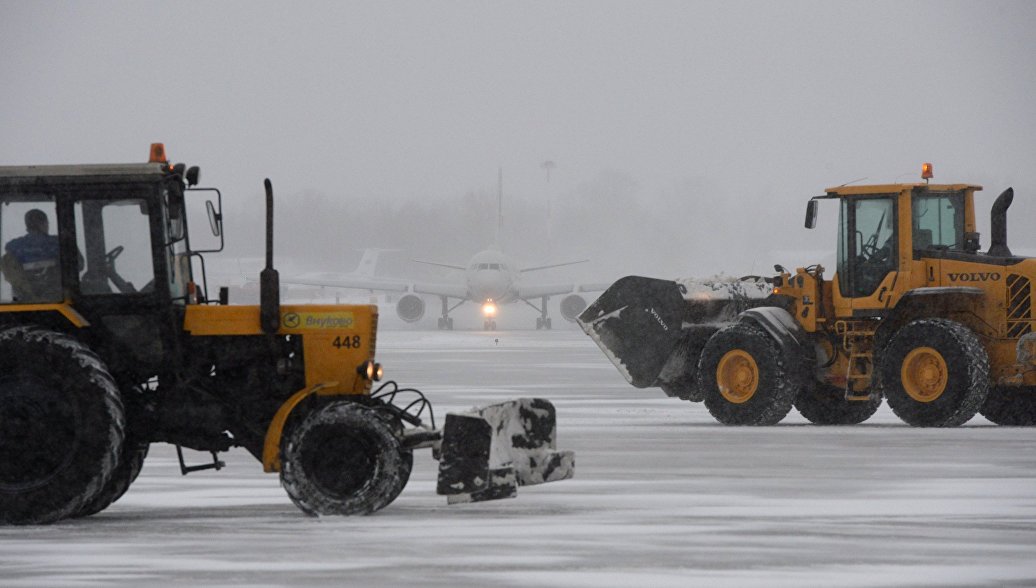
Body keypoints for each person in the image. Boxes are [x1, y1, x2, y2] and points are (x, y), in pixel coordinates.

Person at [1, 209, 62, 302]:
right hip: (56, 299)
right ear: (43, 224)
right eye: (47, 223)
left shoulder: (14, 247)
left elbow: (9, 270)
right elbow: (79, 264)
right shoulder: (59, 244)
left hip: (24, 302)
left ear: (28, 225)